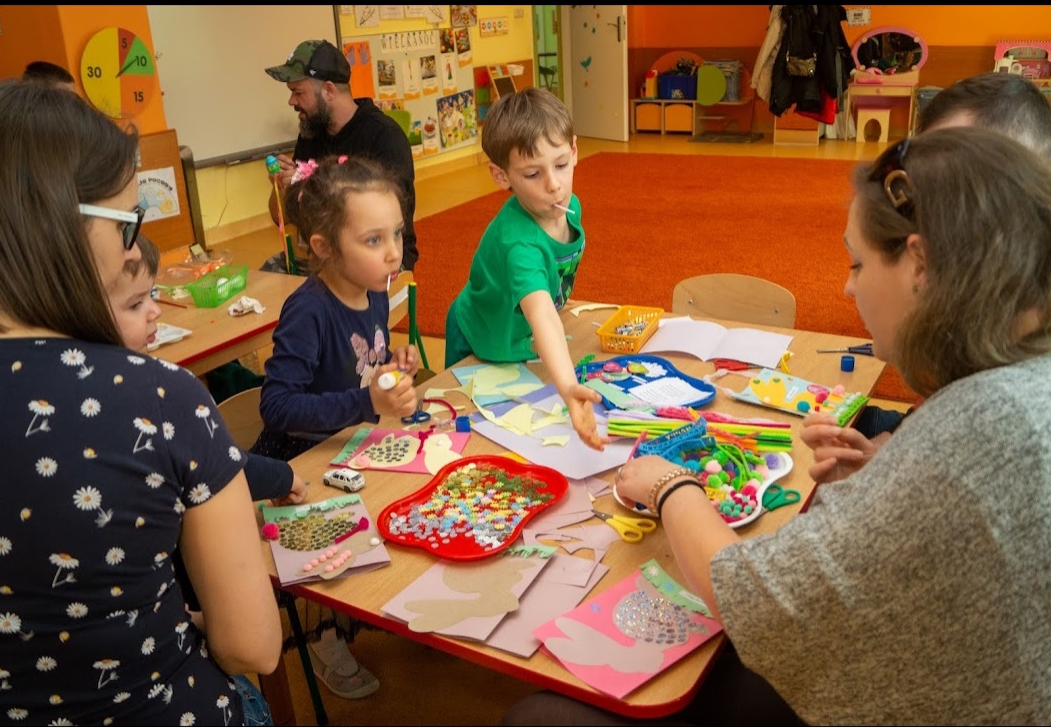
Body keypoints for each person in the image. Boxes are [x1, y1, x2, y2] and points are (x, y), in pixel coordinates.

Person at [506, 128, 1051, 725]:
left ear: (918, 264)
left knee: (538, 718)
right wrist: (889, 475)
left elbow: (746, 592)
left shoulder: (975, 436)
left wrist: (667, 486)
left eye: (857, 261)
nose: (846, 285)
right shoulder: (1016, 389)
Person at [0, 79, 282, 725]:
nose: (134, 245)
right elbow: (251, 643)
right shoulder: (161, 398)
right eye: (128, 221)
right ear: (60, 227)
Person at [250, 154, 421, 700]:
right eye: (373, 240)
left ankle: (358, 612)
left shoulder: (372, 289)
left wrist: (393, 371)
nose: (393, 251)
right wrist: (366, 400)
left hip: (345, 449)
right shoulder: (309, 311)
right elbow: (276, 407)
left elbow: (361, 369)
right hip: (297, 463)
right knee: (336, 546)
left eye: (395, 233)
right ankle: (323, 633)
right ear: (323, 247)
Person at [828, 70, 1051, 472]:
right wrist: (894, 446)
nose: (927, 206)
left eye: (962, 186)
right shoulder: (976, 324)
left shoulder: (990, 418)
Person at [443, 87, 607, 451]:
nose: (554, 185)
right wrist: (567, 388)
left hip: (521, 331)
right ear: (502, 177)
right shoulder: (520, 245)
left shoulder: (569, 205)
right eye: (533, 174)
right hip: (481, 337)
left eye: (561, 164)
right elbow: (542, 314)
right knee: (481, 438)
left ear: (576, 150)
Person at [109, 234, 308, 507]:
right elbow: (217, 461)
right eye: (136, 303)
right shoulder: (162, 392)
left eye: (151, 295)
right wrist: (281, 478)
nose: (155, 310)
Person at [264, 39, 419, 272]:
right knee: (269, 283)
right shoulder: (310, 134)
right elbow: (281, 218)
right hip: (323, 255)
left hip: (377, 257)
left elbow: (384, 221)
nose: (291, 101)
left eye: (298, 92)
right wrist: (282, 188)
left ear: (328, 90)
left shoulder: (384, 137)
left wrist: (310, 185)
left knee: (317, 304)